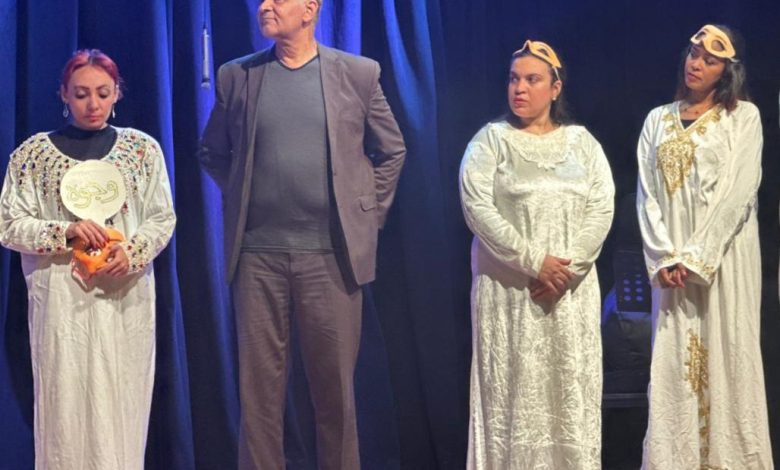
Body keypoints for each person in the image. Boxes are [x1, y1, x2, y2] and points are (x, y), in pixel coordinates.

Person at [198, 0, 406, 468]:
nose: (265, 6)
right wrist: (247, 194)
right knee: (259, 399)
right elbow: (212, 152)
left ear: (310, 9)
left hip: (331, 258)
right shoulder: (237, 76)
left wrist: (365, 215)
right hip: (257, 259)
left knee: (335, 396)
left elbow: (391, 150)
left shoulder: (358, 74)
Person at [0, 49, 176, 469]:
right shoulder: (33, 156)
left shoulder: (141, 151)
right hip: (62, 301)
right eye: (81, 94)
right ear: (64, 94)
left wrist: (131, 252)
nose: (92, 104)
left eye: (102, 93)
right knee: (64, 402)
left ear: (117, 93)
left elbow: (161, 217)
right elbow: (10, 224)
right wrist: (66, 231)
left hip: (123, 297)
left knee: (121, 398)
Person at [459, 40, 614, 469]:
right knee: (513, 394)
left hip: (569, 294)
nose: (520, 88)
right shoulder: (490, 142)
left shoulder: (583, 144)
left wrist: (567, 268)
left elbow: (601, 208)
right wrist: (534, 262)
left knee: (568, 392)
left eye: (532, 79)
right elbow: (477, 209)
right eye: (514, 79)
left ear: (555, 88)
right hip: (511, 294)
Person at [637, 24, 773, 469]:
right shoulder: (656, 120)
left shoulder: (743, 117)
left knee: (728, 355)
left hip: (724, 261)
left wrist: (697, 257)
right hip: (672, 268)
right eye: (693, 53)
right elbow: (647, 195)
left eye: (709, 60)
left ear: (726, 71)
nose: (695, 63)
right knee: (675, 363)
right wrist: (665, 256)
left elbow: (739, 190)